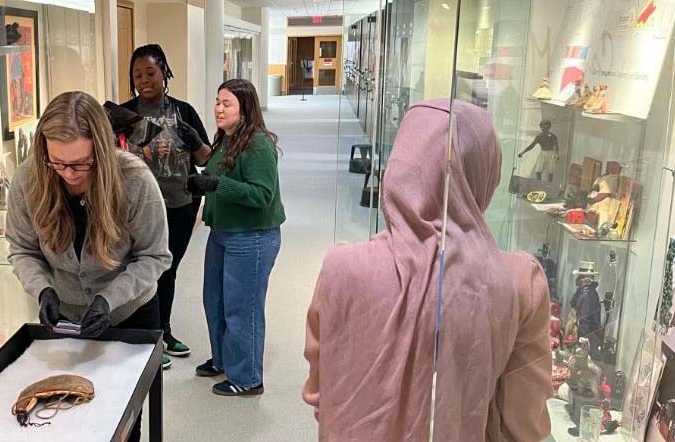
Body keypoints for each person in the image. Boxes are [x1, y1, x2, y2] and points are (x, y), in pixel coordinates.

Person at [301, 100, 553, 441]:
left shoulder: (342, 268)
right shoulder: (519, 281)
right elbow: (522, 424)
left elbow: (321, 393)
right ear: (486, 172)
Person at [6, 91, 170, 442]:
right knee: (64, 420)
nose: (68, 174)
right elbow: (21, 249)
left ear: (102, 150)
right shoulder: (28, 181)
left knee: (122, 422)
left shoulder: (135, 181)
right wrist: (43, 289)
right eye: (57, 162)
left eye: (81, 163)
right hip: (63, 319)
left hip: (129, 315)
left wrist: (109, 299)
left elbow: (155, 256)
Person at [187, 79, 284, 396]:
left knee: (242, 307)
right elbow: (217, 173)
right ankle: (224, 359)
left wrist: (216, 185)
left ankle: (247, 377)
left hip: (251, 237)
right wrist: (201, 182)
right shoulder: (226, 139)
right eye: (217, 101)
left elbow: (262, 195)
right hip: (222, 233)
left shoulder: (257, 144)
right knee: (214, 300)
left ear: (245, 109)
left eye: (226, 103)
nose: (218, 108)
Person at [121, 44, 212, 368]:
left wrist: (195, 142)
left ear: (164, 73)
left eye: (150, 73)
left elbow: (207, 159)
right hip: (135, 208)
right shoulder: (123, 113)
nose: (143, 80)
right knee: (140, 270)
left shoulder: (183, 111)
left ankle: (163, 333)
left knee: (167, 271)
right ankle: (145, 337)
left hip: (179, 206)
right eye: (137, 75)